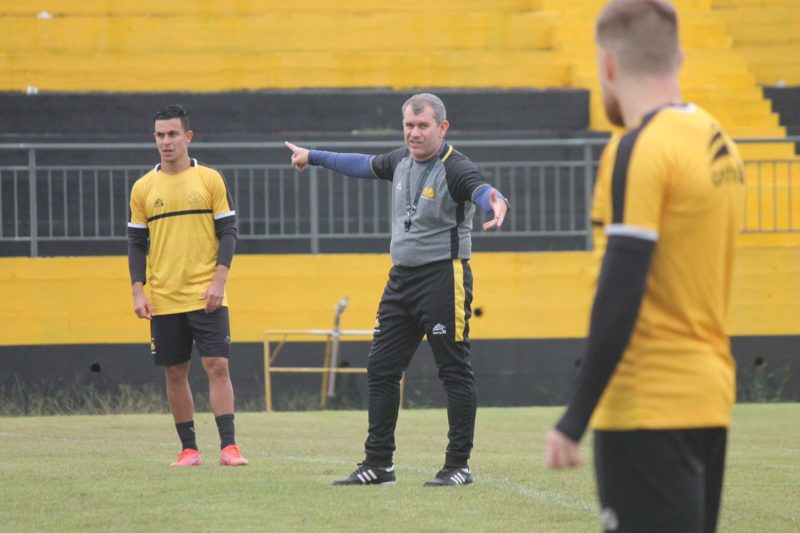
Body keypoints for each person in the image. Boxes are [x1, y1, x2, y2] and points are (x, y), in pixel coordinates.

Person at [544, 1, 745, 532]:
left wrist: (574, 417)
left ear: (607, 65)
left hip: (647, 405)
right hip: (708, 398)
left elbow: (622, 285)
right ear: (677, 56)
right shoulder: (717, 139)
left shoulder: (638, 149)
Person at [286, 93, 509, 486]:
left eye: (423, 126)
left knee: (453, 370)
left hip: (444, 278)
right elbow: (359, 164)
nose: (414, 133)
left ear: (442, 128)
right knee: (381, 369)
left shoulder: (455, 168)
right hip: (401, 280)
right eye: (408, 125)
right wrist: (313, 155)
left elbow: (480, 188)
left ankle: (459, 465)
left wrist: (495, 200)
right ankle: (379, 464)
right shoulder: (400, 161)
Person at [127, 105, 248, 467]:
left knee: (217, 366)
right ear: (155, 139)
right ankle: (189, 450)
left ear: (187, 137)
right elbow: (136, 243)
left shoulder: (210, 179)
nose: (166, 141)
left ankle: (229, 448)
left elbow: (228, 233)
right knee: (175, 372)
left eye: (173, 134)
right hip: (164, 299)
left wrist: (219, 280)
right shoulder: (143, 188)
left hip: (207, 293)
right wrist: (137, 290)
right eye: (160, 135)